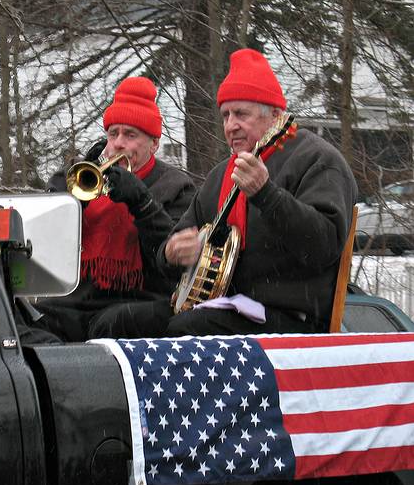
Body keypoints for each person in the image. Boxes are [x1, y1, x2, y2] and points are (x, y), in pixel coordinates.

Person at [141, 48, 358, 337]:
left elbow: (323, 245)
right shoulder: (222, 175)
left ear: (276, 115)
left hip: (291, 320)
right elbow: (173, 247)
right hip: (222, 310)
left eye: (241, 114)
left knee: (188, 328)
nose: (231, 126)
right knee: (122, 321)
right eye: (225, 115)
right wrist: (170, 253)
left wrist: (265, 194)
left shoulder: (317, 160)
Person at [33, 76, 196, 341]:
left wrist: (141, 202)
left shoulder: (177, 186)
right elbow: (44, 242)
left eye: (130, 135)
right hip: (75, 304)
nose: (118, 143)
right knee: (16, 321)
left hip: (135, 305)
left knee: (110, 324)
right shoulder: (76, 176)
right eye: (113, 133)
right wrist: (74, 200)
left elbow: (171, 264)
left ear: (154, 144)